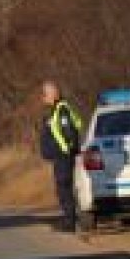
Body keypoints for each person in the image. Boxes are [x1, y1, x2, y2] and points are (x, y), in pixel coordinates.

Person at [37, 80, 84, 233]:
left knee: (64, 188)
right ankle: (68, 219)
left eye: (45, 94)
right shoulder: (55, 109)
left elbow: (68, 130)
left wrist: (67, 150)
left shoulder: (62, 109)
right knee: (62, 189)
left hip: (63, 157)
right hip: (60, 156)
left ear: (53, 94)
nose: (43, 98)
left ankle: (69, 222)